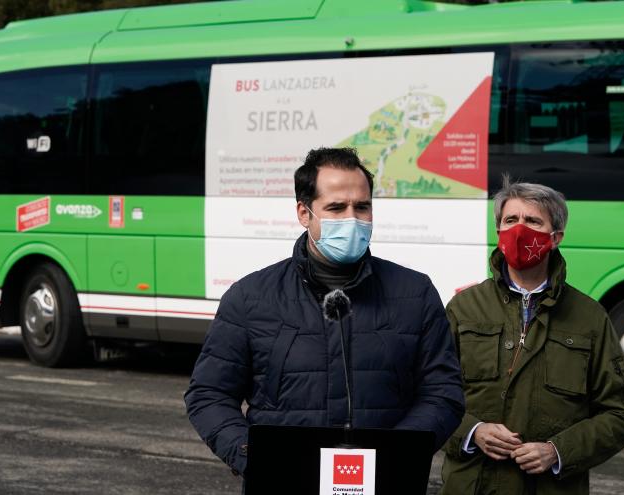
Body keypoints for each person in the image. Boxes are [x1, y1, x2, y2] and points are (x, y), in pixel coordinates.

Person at [185, 147, 465, 477]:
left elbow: (443, 392)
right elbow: (209, 394)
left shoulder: (415, 293)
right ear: (304, 213)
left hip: (384, 482)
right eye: (336, 207)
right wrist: (254, 457)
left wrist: (396, 454)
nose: (352, 218)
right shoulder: (249, 298)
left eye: (362, 207)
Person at [440, 179, 624, 495]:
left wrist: (558, 451)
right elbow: (429, 395)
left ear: (556, 237)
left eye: (533, 221)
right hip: (472, 486)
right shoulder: (464, 309)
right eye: (511, 220)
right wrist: (472, 432)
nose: (519, 230)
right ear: (498, 231)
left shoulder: (589, 317)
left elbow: (621, 414)